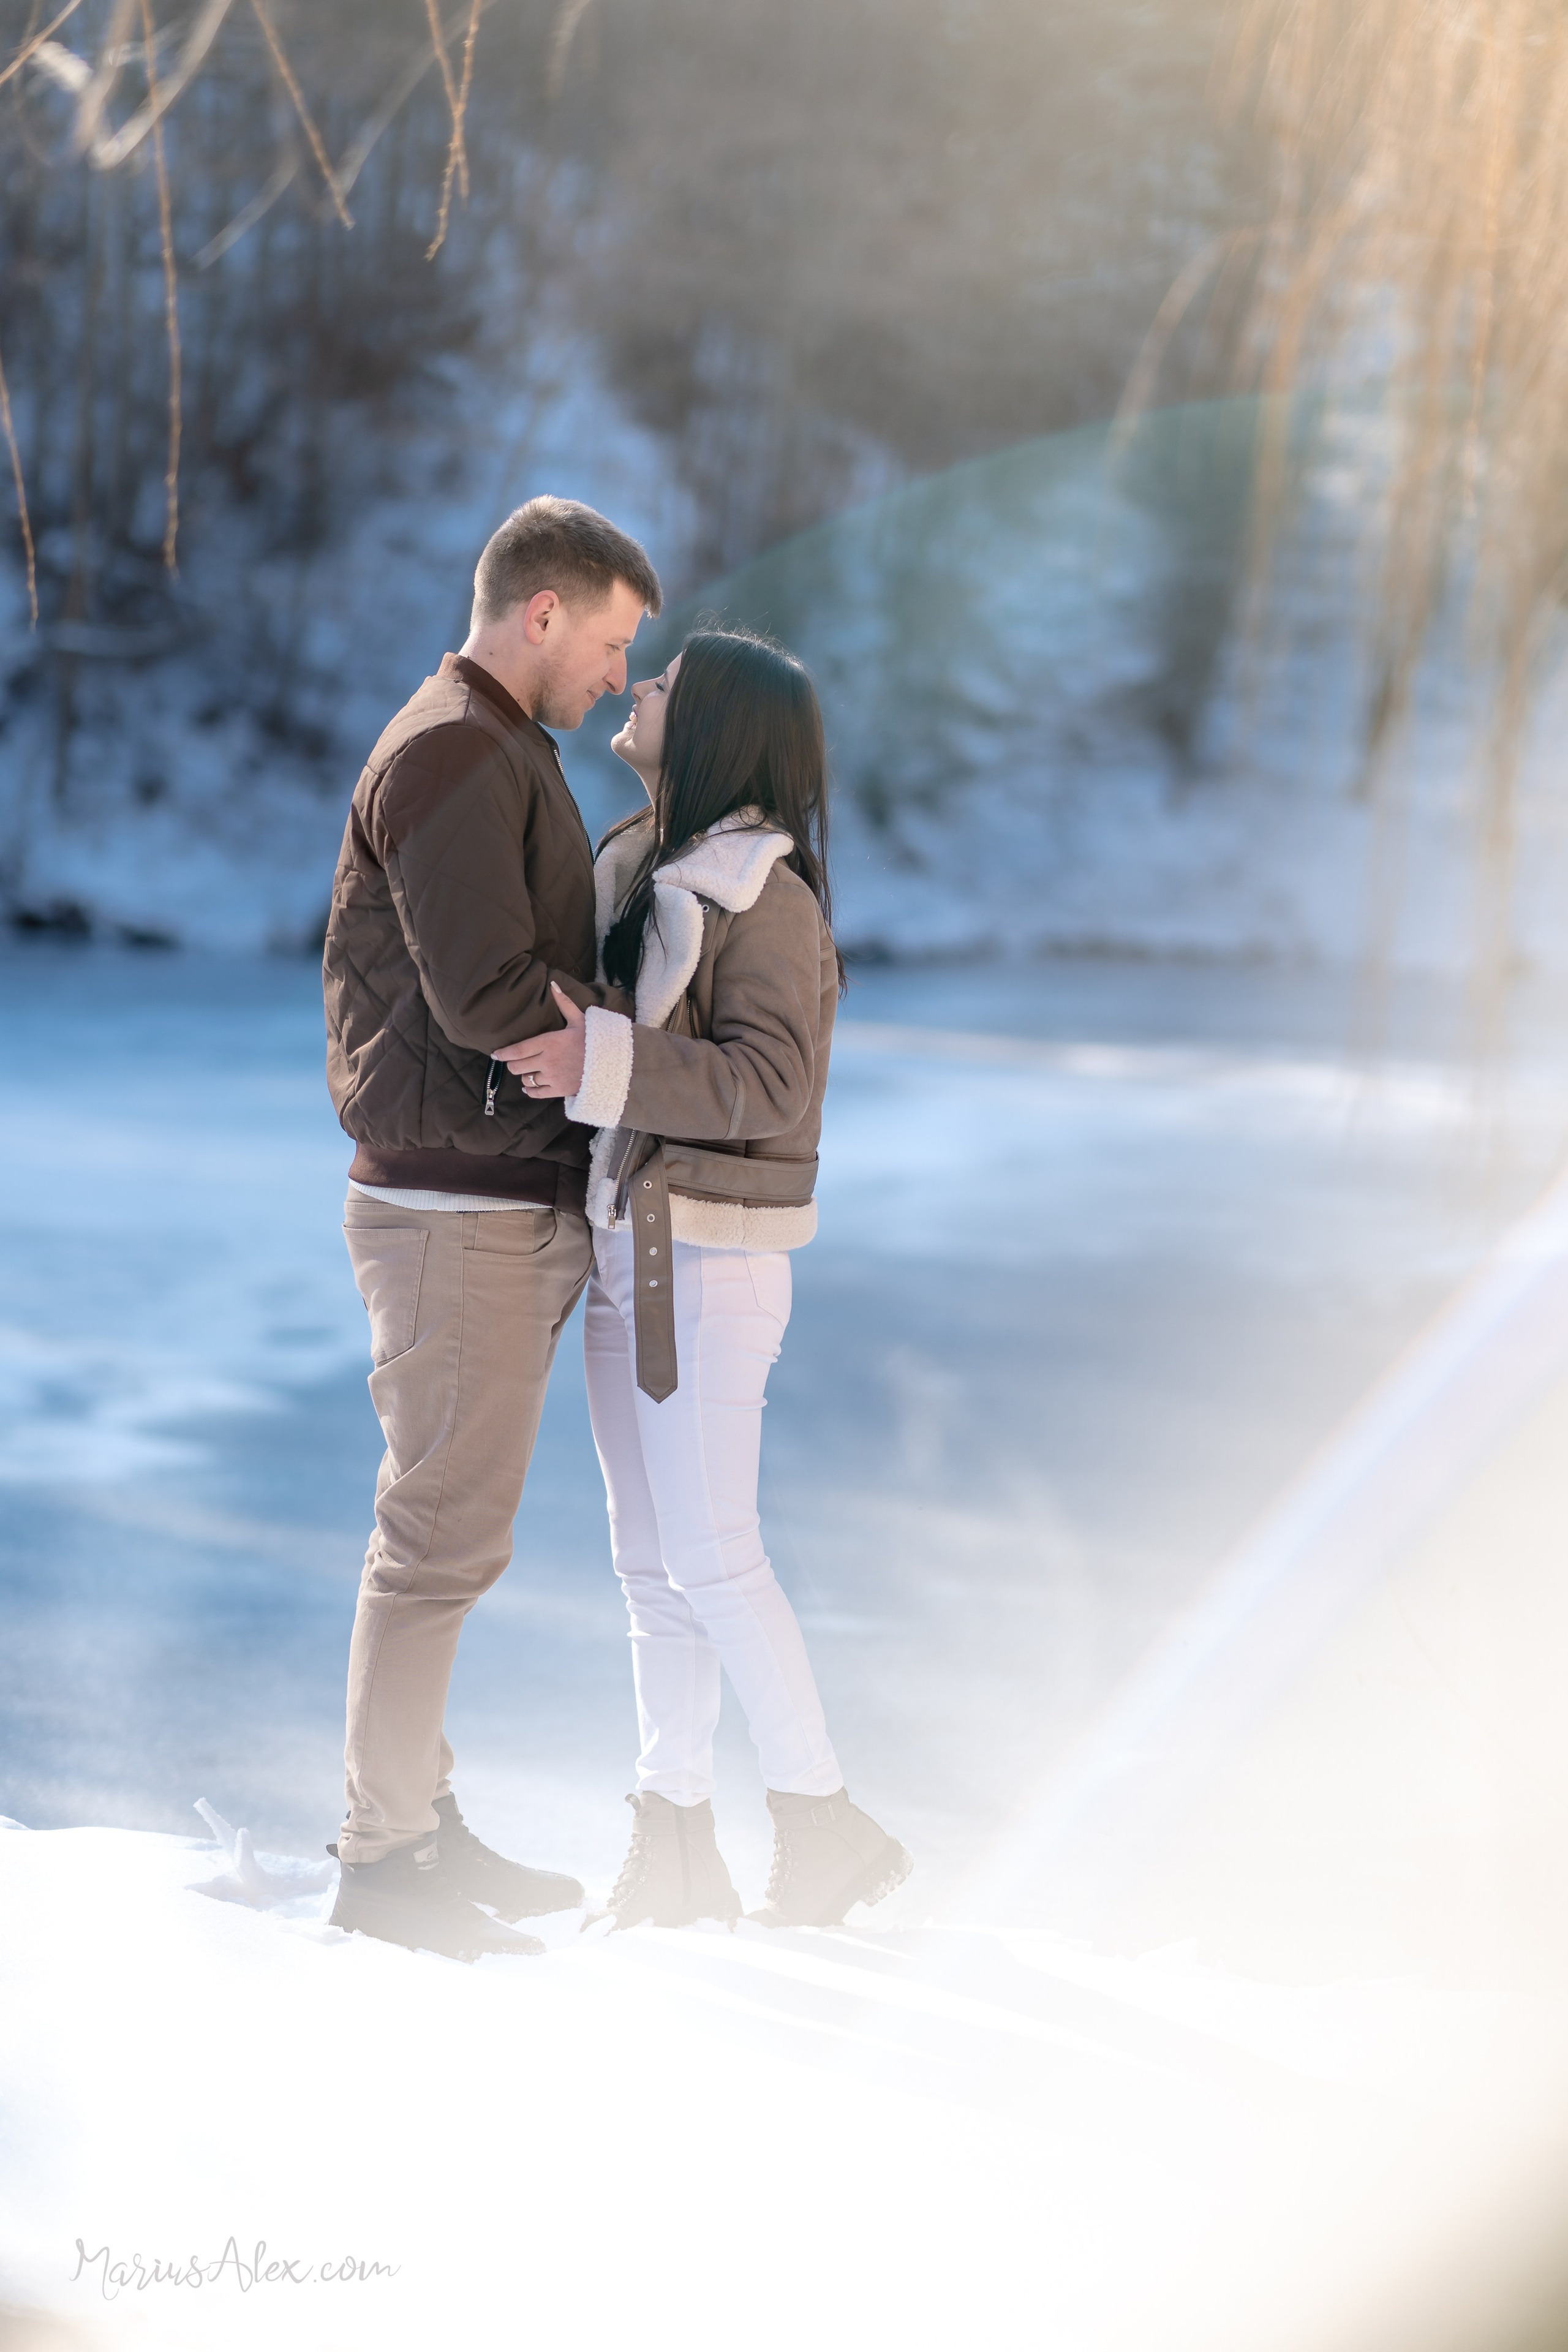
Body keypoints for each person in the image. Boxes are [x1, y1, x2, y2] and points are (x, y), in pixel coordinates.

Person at [503, 628, 911, 1930]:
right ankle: (675, 1840)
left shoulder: (765, 899)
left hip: (710, 1263)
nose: (637, 686)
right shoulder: (638, 864)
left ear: (721, 725)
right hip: (634, 1244)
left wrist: (604, 1065)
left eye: (666, 682)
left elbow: (772, 1087)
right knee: (648, 1563)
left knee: (712, 1556)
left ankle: (822, 1820)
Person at [320, 496, 662, 1961]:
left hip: (485, 1194)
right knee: (436, 1543)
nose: (615, 672)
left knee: (452, 1535)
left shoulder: (495, 740)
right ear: (543, 612)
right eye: (610, 639)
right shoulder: (460, 746)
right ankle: (384, 1856)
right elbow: (481, 994)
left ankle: (417, 1820)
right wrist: (604, 1037)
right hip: (453, 1208)